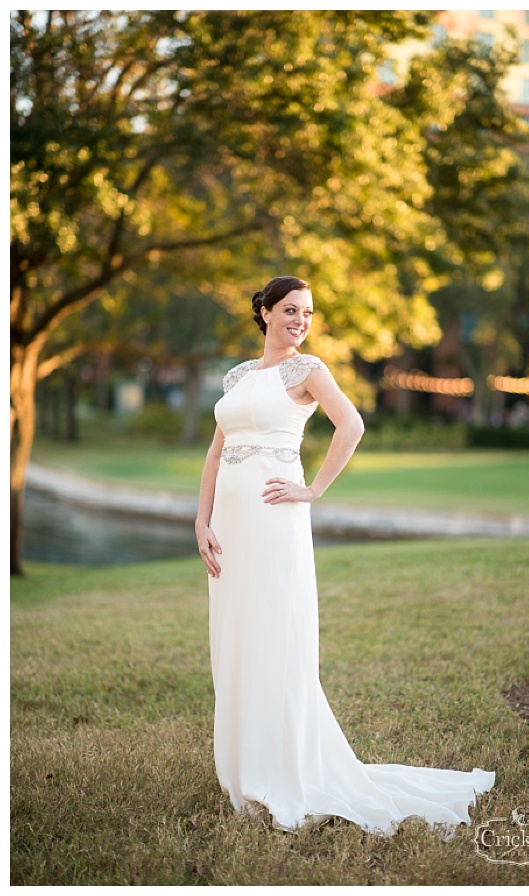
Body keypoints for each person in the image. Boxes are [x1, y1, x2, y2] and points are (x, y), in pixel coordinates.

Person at [195, 275, 494, 836]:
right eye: (289, 310)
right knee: (235, 636)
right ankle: (242, 765)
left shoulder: (308, 370)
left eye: (306, 313)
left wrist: (312, 489)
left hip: (273, 522)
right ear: (263, 311)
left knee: (273, 636)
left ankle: (281, 767)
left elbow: (351, 425)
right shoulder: (237, 376)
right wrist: (201, 520)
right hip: (229, 529)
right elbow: (216, 453)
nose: (299, 321)